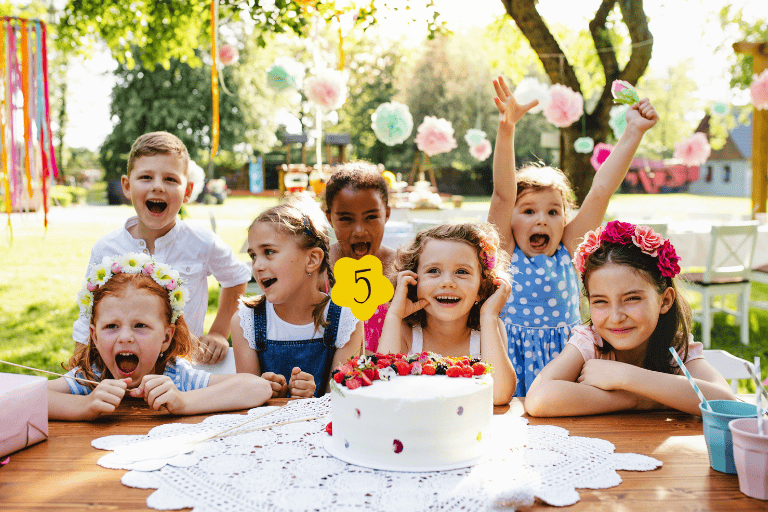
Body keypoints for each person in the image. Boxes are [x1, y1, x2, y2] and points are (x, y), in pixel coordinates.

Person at [488, 76, 659, 396]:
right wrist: (507, 129)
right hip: (512, 368)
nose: (542, 219)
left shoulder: (568, 248)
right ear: (510, 218)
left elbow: (601, 191)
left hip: (567, 366)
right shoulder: (506, 252)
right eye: (528, 211)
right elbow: (501, 195)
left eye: (553, 212)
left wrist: (633, 131)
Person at [72, 132, 251, 365]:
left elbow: (236, 277)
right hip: (123, 368)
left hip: (184, 369)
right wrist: (80, 368)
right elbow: (88, 315)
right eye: (146, 177)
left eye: (170, 179)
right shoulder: (106, 248)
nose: (157, 187)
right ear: (127, 186)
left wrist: (218, 331)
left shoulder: (202, 243)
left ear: (187, 191)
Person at [525, 221, 735, 416]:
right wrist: (638, 400)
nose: (616, 317)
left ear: (665, 301)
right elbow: (538, 399)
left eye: (632, 298)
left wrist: (624, 376)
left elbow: (726, 403)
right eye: (600, 302)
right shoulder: (590, 341)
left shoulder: (674, 345)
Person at [49, 254, 271, 421]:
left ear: (166, 337)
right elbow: (29, 398)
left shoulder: (176, 378)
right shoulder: (91, 377)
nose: (125, 337)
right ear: (94, 337)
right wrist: (84, 406)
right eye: (111, 326)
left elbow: (257, 387)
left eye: (140, 325)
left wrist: (183, 402)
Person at [231, 201, 363, 398]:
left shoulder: (346, 319)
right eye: (253, 256)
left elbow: (340, 401)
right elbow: (246, 404)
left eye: (269, 252)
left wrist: (312, 397)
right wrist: (266, 394)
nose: (257, 266)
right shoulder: (246, 321)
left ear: (312, 260)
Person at [377, 223, 516, 405]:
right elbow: (381, 388)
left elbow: (498, 396)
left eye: (462, 272)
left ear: (483, 286)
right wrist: (394, 315)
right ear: (412, 280)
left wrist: (489, 316)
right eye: (433, 271)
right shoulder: (406, 331)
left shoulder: (489, 328)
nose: (447, 282)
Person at [325, 162, 396, 352]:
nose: (359, 231)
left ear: (386, 214)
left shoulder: (400, 268)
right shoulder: (319, 269)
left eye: (371, 217)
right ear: (329, 218)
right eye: (346, 219)